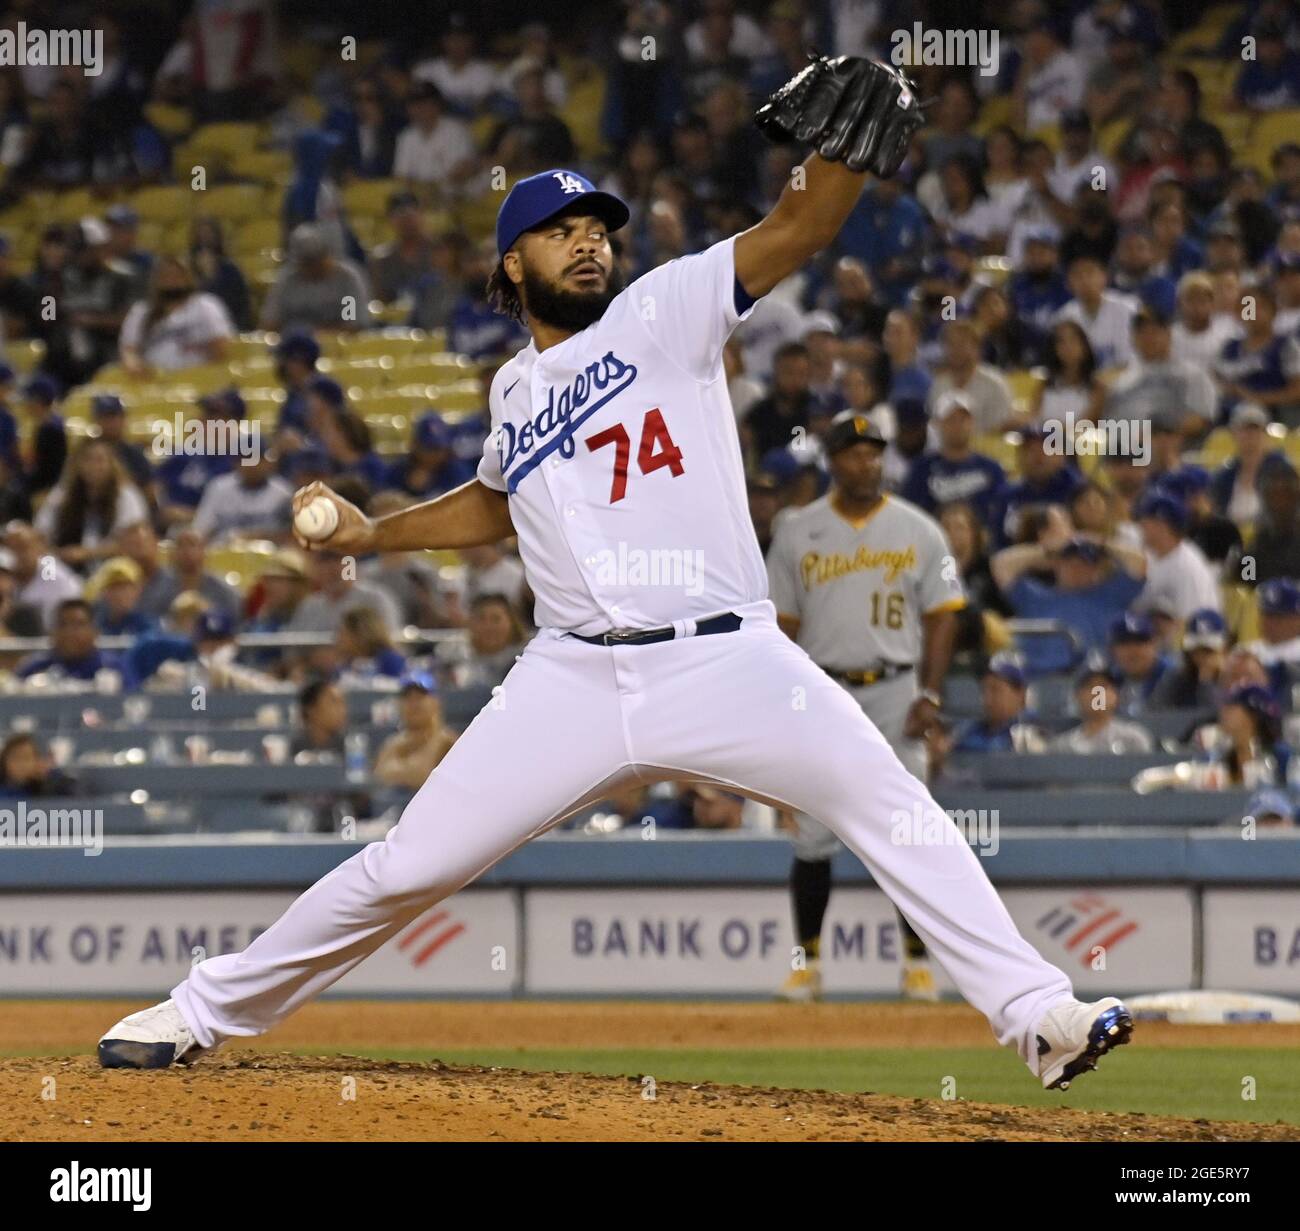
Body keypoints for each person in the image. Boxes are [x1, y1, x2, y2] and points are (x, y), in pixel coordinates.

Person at [100, 98, 1131, 1091]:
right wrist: (376, 531)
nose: (588, 242)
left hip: (726, 657)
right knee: (406, 866)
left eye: (597, 226)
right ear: (515, 262)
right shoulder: (513, 388)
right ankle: (198, 1012)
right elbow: (495, 502)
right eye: (560, 231)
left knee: (893, 805)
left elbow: (798, 223)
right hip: (573, 676)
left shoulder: (664, 308)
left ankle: (1037, 1013)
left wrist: (842, 161)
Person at [767, 411, 965, 1004]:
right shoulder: (798, 531)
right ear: (832, 460)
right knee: (813, 834)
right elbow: (783, 626)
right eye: (854, 452)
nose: (867, 462)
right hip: (823, 690)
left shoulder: (920, 529)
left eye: (874, 451)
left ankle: (916, 963)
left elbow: (943, 614)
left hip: (895, 688)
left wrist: (929, 694)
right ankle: (809, 963)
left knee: (907, 830)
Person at [992, 518, 1146, 673]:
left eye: (1085, 563)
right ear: (1056, 564)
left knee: (1100, 693)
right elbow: (1001, 564)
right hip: (1041, 682)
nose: (1076, 568)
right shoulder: (1035, 597)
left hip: (1097, 681)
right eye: (1070, 562)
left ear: (1097, 568)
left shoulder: (1112, 594)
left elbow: (1139, 564)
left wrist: (1101, 543)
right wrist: (1049, 549)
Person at [34, 439, 150, 572]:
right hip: (64, 567)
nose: (94, 466)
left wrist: (88, 553)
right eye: (88, 459)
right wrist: (56, 552)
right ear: (78, 464)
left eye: (100, 460)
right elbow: (41, 533)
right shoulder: (62, 494)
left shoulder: (127, 496)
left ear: (111, 464)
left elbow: (134, 543)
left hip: (113, 569)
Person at [119, 255, 234, 375]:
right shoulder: (141, 311)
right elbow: (129, 350)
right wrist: (134, 365)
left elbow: (222, 348)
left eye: (177, 275)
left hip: (197, 380)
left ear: (189, 278)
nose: (171, 280)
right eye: (165, 275)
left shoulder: (206, 306)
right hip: (153, 381)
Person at [901, 393, 1005, 525]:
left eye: (963, 419)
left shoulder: (991, 469)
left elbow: (999, 516)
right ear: (938, 424)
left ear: (973, 423)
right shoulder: (921, 469)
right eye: (951, 420)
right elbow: (912, 514)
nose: (958, 426)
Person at [259, 224, 372, 334]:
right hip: (297, 347)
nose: (311, 268)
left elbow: (352, 325)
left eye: (314, 261)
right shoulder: (287, 279)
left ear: (327, 255)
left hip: (340, 349)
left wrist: (316, 334)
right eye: (305, 263)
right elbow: (269, 323)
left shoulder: (346, 279)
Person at [1132, 491, 1222, 622]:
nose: (1140, 527)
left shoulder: (1188, 568)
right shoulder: (1155, 555)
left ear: (1161, 526)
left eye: (1145, 522)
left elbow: (1189, 622)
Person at [373, 672, 458, 791]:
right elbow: (380, 777)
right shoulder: (394, 742)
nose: (413, 704)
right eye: (408, 698)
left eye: (420, 697)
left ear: (436, 702)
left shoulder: (448, 742)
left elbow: (422, 776)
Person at [1052, 657, 1154, 754]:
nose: (1097, 693)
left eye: (1103, 686)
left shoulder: (1133, 738)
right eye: (1090, 686)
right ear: (1077, 695)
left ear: (1116, 695)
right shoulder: (1062, 746)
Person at [190, 449, 294, 544]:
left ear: (268, 463)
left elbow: (291, 535)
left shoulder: (283, 492)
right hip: (223, 554)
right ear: (235, 463)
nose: (251, 465)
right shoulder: (219, 488)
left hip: (270, 556)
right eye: (245, 459)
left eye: (257, 460)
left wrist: (255, 537)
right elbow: (201, 529)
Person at [16, 598, 123, 684]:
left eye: (78, 625)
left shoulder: (113, 668)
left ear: (94, 632)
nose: (69, 632)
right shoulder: (34, 669)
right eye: (63, 624)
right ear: (52, 632)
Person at [1149, 609, 1229, 710]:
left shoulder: (1234, 678)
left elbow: (1216, 717)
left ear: (1224, 649)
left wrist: (1206, 682)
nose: (1201, 657)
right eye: (1196, 650)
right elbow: (1154, 711)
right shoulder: (1178, 678)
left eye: (1208, 650)